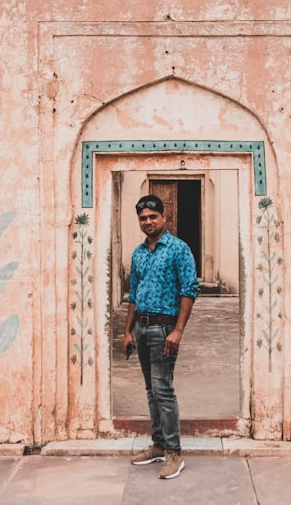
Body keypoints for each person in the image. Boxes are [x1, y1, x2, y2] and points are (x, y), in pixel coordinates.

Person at [123, 194, 199, 479]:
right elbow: (134, 293)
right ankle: (158, 444)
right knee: (150, 390)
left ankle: (173, 453)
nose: (148, 222)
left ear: (164, 217)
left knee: (163, 391)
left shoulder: (178, 249)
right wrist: (127, 330)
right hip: (141, 329)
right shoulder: (138, 253)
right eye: (143, 218)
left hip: (165, 329)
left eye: (152, 216)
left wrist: (178, 330)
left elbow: (189, 290)